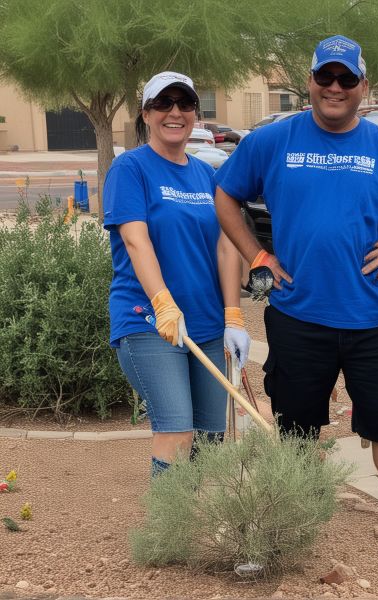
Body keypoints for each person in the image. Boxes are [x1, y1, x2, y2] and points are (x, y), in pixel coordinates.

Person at [213, 35, 378, 535]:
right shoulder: (272, 141)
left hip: (374, 319)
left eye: (346, 79)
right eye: (325, 77)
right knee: (297, 424)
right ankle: (300, 512)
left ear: (364, 86)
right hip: (298, 315)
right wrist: (258, 255)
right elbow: (225, 194)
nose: (334, 87)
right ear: (309, 83)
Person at [104, 71, 250, 477]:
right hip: (149, 321)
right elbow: (136, 241)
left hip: (203, 323)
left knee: (210, 438)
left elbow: (226, 246)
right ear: (146, 113)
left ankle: (195, 525)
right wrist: (163, 303)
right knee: (177, 430)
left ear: (195, 115)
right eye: (163, 103)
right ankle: (167, 539)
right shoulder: (130, 169)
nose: (175, 112)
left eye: (185, 104)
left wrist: (233, 316)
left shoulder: (207, 176)